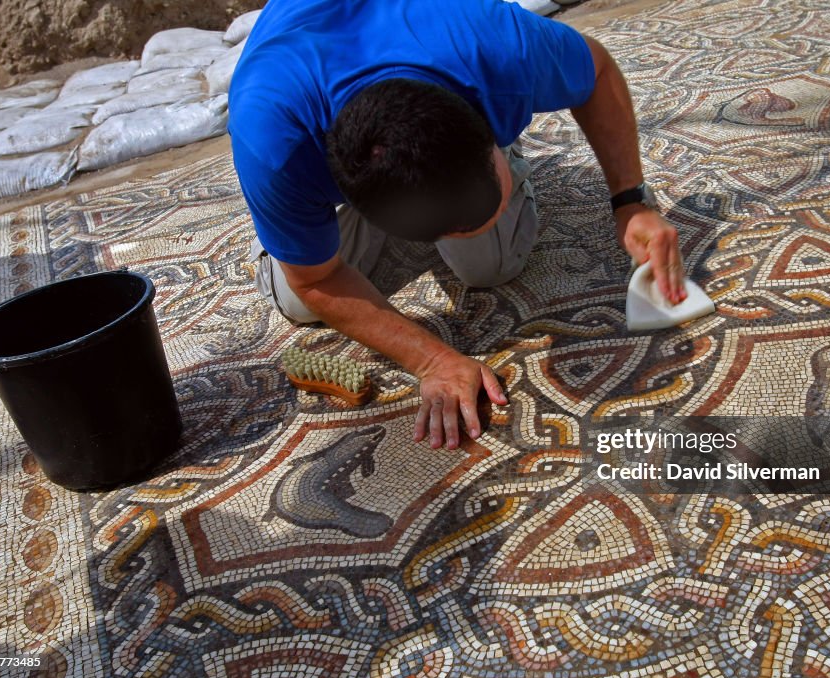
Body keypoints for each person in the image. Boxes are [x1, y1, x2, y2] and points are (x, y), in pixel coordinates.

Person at [228, 0, 687, 452]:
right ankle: (287, 224)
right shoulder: (272, 139)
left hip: (440, 50)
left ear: (488, 128)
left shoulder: (494, 45)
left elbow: (599, 71)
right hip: (296, 110)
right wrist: (432, 360)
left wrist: (631, 200)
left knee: (491, 264)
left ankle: (489, 176)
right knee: (299, 299)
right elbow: (315, 280)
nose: (452, 239)